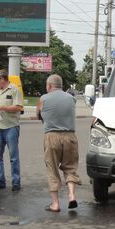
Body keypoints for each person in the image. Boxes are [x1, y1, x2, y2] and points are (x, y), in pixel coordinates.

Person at [37, 74, 81, 211]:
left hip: (52, 136)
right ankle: (72, 196)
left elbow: (39, 115)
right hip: (70, 136)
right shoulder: (72, 99)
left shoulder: (43, 98)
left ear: (49, 86)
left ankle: (55, 204)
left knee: (52, 170)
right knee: (70, 167)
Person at [0, 69, 23, 192]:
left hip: (11, 127)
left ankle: (16, 183)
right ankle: (0, 182)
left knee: (13, 157)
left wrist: (2, 107)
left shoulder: (14, 89)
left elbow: (18, 107)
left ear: (2, 79)